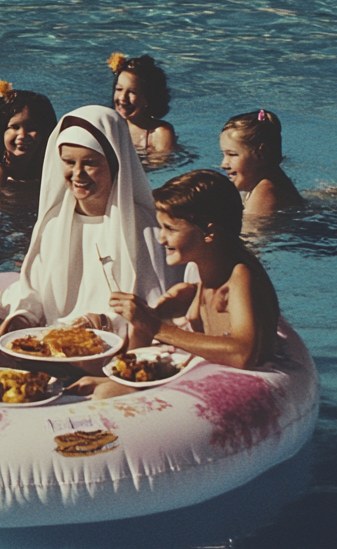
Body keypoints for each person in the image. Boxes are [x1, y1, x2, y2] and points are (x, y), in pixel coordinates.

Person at [70, 169, 282, 398]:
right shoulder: (206, 271)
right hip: (209, 375)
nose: (161, 238)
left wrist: (156, 326)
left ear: (209, 233)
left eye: (170, 229)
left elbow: (243, 353)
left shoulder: (240, 274)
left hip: (245, 391)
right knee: (87, 377)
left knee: (104, 394)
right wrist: (149, 317)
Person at [0, 105, 169, 342]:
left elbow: (156, 310)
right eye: (68, 162)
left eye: (90, 163)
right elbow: (34, 291)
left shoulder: (142, 227)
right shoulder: (53, 222)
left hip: (115, 349)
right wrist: (22, 319)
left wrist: (101, 323)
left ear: (115, 163)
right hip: (52, 342)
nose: (77, 173)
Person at [0, 81, 58, 191]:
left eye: (31, 128)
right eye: (14, 127)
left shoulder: (46, 171)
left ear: (45, 132)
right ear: (1, 131)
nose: (22, 135)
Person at [220, 110, 301, 216]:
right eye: (224, 154)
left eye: (232, 154)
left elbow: (249, 232)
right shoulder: (258, 181)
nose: (223, 164)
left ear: (260, 154)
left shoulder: (264, 194)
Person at [107, 52, 176, 158]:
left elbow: (160, 165)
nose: (122, 98)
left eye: (132, 92)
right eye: (119, 89)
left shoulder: (159, 133)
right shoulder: (108, 125)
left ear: (148, 99)